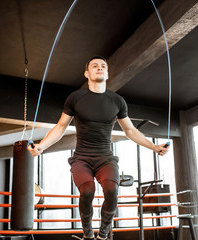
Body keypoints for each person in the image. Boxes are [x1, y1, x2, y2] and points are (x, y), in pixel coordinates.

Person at [28, 56, 170, 240]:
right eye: (94, 66)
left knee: (111, 190)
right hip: (82, 158)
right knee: (87, 191)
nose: (99, 68)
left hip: (105, 157)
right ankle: (88, 234)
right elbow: (61, 127)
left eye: (103, 66)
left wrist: (153, 146)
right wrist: (42, 146)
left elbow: (130, 130)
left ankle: (103, 234)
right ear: (87, 73)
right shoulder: (76, 98)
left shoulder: (117, 100)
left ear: (107, 73)